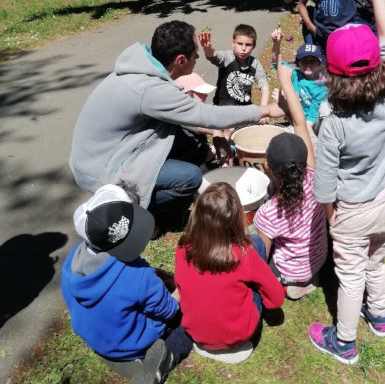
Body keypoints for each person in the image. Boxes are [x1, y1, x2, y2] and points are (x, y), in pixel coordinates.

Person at [70, 21, 280, 229]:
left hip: (116, 148)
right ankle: (135, 210)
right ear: (180, 60)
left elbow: (188, 116)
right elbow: (204, 114)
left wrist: (215, 131)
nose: (198, 58)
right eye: (195, 55)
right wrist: (266, 110)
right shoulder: (151, 89)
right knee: (191, 178)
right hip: (101, 168)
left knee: (195, 145)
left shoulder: (145, 68)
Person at [309, 0, 385, 366]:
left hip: (353, 210)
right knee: (376, 260)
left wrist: (330, 215)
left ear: (332, 71)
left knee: (349, 275)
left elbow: (326, 179)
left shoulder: (332, 119)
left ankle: (344, 341)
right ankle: (379, 317)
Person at [61, 183, 192, 384]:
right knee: (188, 326)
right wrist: (184, 286)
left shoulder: (71, 262)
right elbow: (170, 309)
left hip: (97, 337)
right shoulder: (139, 276)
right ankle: (161, 357)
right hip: (131, 342)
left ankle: (115, 355)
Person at [254, 29, 328, 300]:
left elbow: (259, 255)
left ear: (268, 169)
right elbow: (300, 124)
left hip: (291, 271)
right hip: (320, 257)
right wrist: (286, 84)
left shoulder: (268, 213)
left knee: (254, 243)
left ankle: (296, 283)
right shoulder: (315, 177)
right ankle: (310, 273)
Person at [174, 182, 285, 363]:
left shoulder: (183, 249)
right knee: (256, 243)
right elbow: (276, 297)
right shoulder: (243, 253)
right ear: (235, 219)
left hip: (196, 333)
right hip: (239, 335)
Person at [271, 42, 328, 145]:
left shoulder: (322, 85)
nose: (308, 65)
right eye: (304, 61)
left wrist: (301, 130)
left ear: (319, 64)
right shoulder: (294, 74)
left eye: (312, 61)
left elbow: (313, 114)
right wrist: (276, 43)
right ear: (297, 63)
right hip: (296, 118)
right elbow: (277, 62)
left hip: (313, 124)